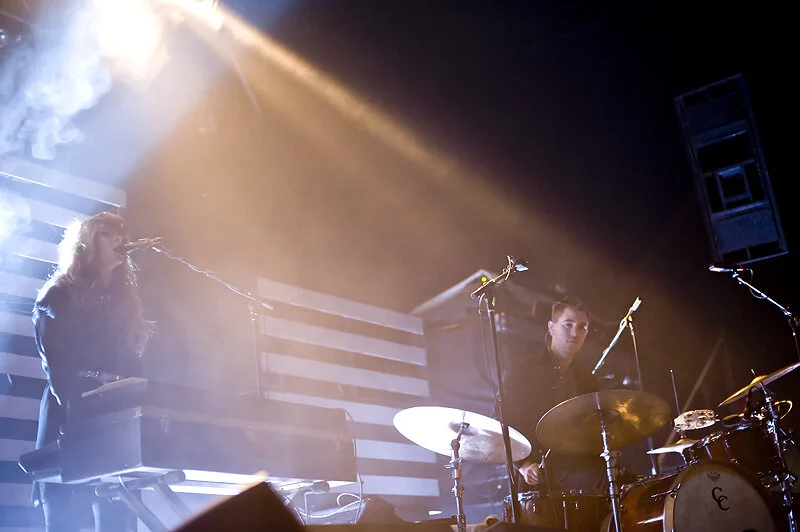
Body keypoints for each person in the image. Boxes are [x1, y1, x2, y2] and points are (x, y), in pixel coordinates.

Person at [30, 212, 154, 531]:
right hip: (72, 415)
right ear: (86, 243)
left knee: (120, 517)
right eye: (107, 233)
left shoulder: (124, 301)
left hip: (115, 418)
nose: (119, 239)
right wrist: (87, 410)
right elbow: (58, 367)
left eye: (122, 233)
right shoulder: (59, 295)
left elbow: (132, 365)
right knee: (67, 517)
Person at [501, 296, 607, 494]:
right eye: (568, 325)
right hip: (540, 474)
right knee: (604, 482)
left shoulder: (588, 379)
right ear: (551, 327)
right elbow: (503, 424)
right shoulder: (523, 372)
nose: (575, 333)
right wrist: (523, 465)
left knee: (625, 481)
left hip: (582, 465)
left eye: (582, 327)